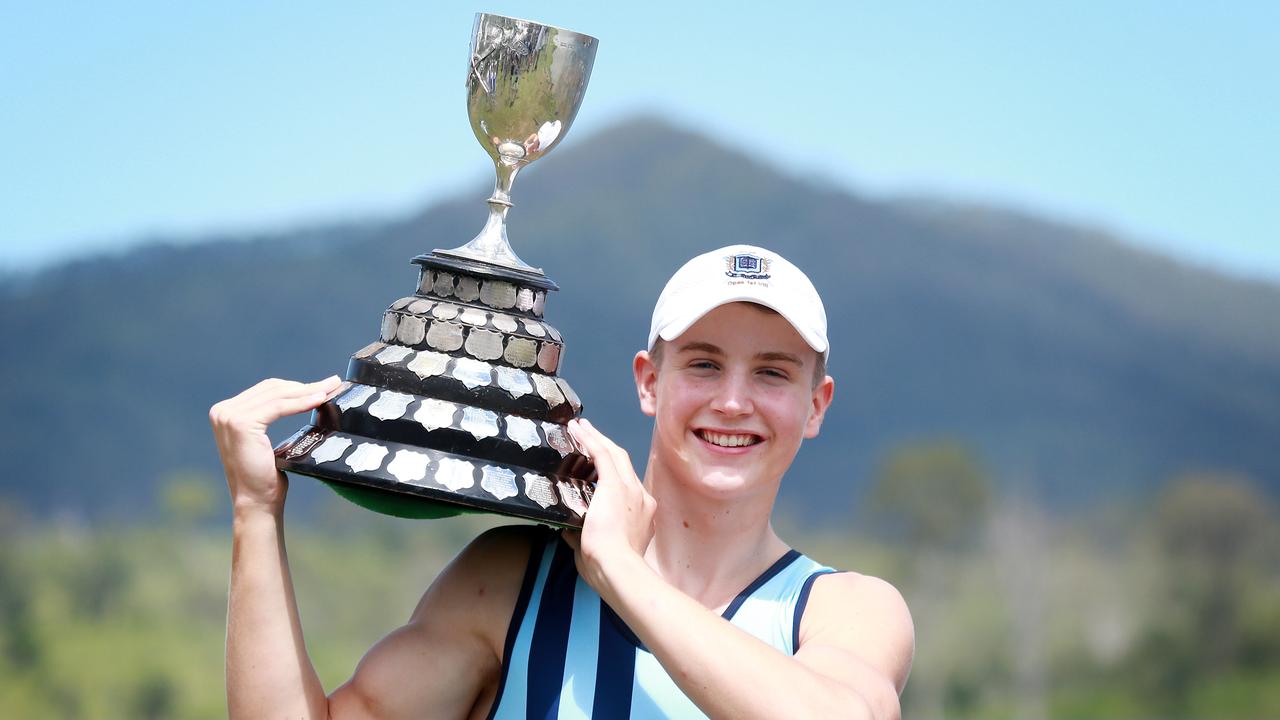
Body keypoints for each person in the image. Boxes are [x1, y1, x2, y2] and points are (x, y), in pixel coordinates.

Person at [211, 244, 915, 719]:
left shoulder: (845, 609)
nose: (733, 401)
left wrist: (621, 574)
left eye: (772, 372)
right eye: (702, 364)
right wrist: (254, 511)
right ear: (649, 383)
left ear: (816, 405)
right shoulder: (516, 579)